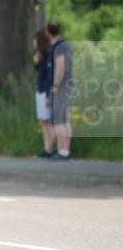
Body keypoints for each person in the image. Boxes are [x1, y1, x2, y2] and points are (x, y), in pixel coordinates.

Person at [46, 22, 73, 160]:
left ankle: (62, 151)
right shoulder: (66, 45)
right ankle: (66, 151)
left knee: (58, 120)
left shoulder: (58, 46)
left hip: (61, 86)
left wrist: (56, 85)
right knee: (65, 120)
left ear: (48, 32)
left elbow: (60, 67)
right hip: (67, 85)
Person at [32, 29, 54, 158]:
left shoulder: (48, 54)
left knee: (48, 121)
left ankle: (49, 149)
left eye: (35, 40)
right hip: (40, 90)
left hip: (45, 91)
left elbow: (50, 76)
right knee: (43, 121)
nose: (33, 42)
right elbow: (40, 73)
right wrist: (37, 62)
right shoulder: (41, 55)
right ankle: (47, 148)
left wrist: (48, 94)